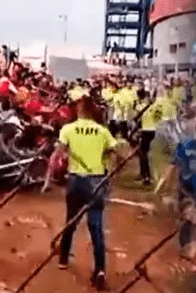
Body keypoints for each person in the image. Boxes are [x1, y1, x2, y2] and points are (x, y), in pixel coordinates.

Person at [55, 95, 124, 291]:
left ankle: (63, 258)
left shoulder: (68, 129)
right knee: (96, 228)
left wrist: (67, 159)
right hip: (97, 181)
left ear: (78, 110)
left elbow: (60, 154)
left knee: (71, 221)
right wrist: (108, 168)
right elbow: (117, 154)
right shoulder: (102, 131)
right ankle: (100, 270)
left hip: (76, 180)